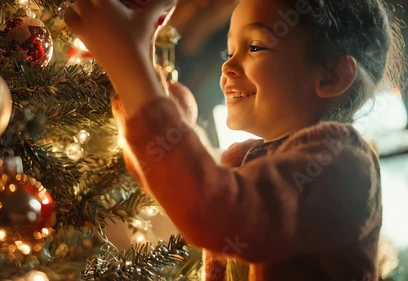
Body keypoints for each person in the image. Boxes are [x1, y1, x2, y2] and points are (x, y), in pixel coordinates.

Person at [64, 0, 404, 280]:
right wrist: (141, 84)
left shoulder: (340, 160)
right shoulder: (246, 158)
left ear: (332, 75)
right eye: (229, 51)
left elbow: (215, 210)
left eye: (255, 46)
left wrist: (130, 62)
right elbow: (173, 178)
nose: (227, 66)